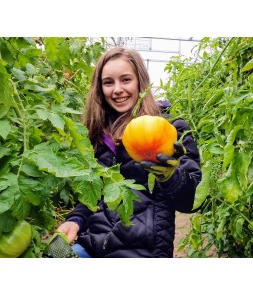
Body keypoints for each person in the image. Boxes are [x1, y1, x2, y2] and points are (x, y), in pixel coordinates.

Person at [55, 47, 202, 258]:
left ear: (140, 82)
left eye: (125, 80)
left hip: (142, 250)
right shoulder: (98, 133)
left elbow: (190, 201)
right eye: (108, 82)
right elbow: (93, 192)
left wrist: (171, 176)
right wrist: (75, 220)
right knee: (51, 254)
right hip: (92, 244)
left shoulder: (171, 129)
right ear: (99, 88)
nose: (117, 89)